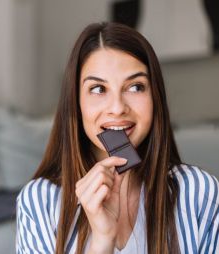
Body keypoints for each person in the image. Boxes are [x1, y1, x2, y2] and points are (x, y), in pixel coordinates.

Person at [15, 22, 219, 254]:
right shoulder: (40, 201)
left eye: (135, 87)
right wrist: (102, 240)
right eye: (99, 89)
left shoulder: (199, 191)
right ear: (76, 103)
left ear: (155, 97)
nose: (117, 108)